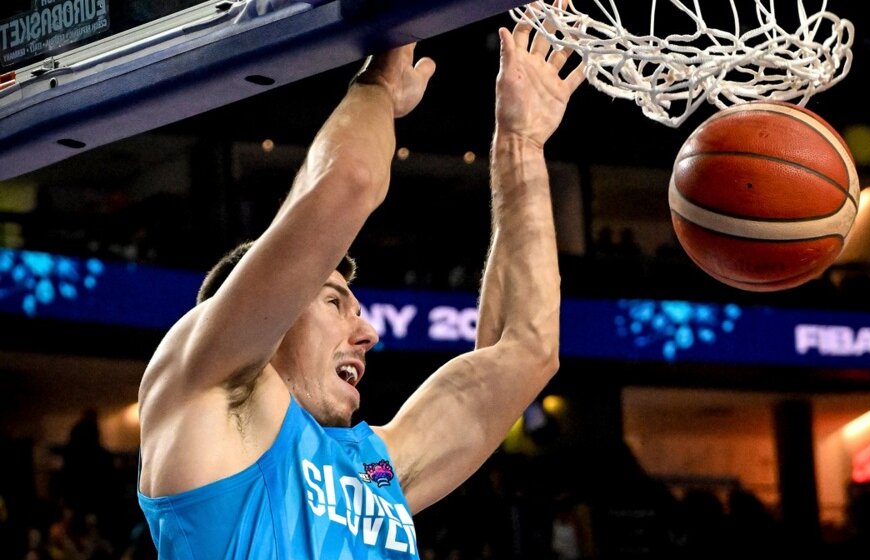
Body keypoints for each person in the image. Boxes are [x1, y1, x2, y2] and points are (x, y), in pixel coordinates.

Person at [135, 9, 585, 559]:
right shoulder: (203, 389)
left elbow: (527, 349)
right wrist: (379, 86)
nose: (368, 333)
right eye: (334, 302)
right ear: (269, 314)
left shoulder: (377, 468)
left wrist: (521, 144)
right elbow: (348, 179)